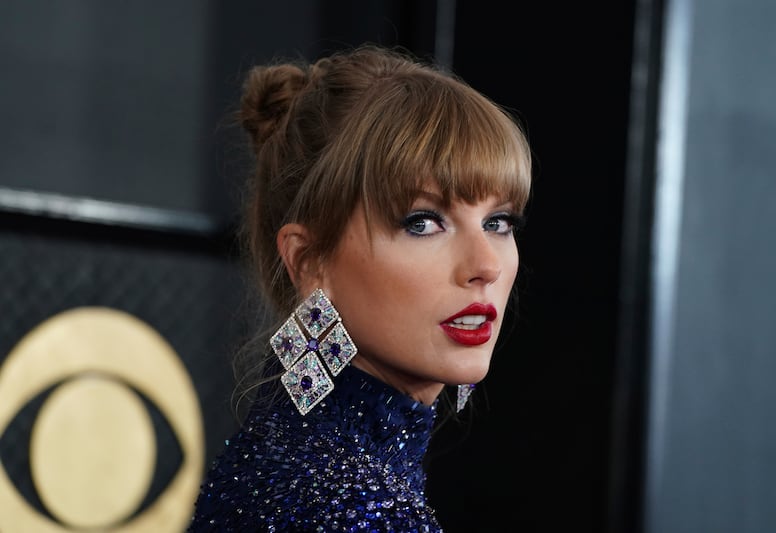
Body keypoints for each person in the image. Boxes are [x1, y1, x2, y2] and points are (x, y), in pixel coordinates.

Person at [187, 43, 532, 532]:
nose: (485, 266)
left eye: (498, 221)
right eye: (423, 222)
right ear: (309, 261)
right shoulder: (351, 508)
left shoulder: (281, 455)